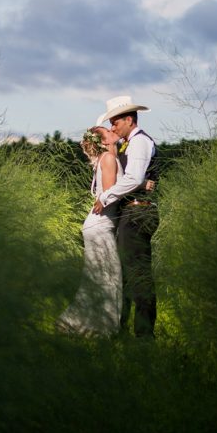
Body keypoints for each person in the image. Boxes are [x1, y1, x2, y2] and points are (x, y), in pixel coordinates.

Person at [92, 95, 159, 339]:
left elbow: (131, 178)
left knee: (138, 274)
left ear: (129, 119)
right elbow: (134, 178)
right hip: (131, 210)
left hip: (139, 211)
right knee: (126, 275)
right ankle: (122, 330)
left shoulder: (140, 142)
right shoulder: (127, 143)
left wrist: (105, 197)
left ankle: (144, 336)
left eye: (116, 122)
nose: (113, 127)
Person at [55, 126, 124, 337]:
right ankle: (99, 328)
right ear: (104, 141)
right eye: (109, 132)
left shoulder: (106, 158)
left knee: (98, 276)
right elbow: (111, 193)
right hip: (101, 225)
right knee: (109, 277)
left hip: (97, 224)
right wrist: (140, 186)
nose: (115, 132)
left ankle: (83, 322)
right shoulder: (109, 159)